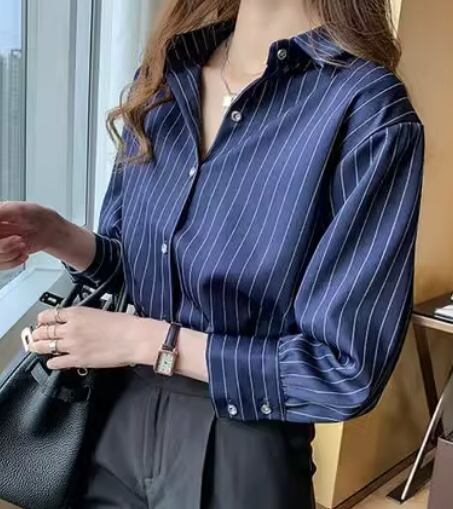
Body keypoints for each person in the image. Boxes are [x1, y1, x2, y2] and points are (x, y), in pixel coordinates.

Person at [0, 0, 425, 507]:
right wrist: (56, 234)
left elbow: (345, 371)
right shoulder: (165, 75)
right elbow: (143, 276)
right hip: (108, 423)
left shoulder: (368, 111)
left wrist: (147, 341)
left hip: (240, 446)